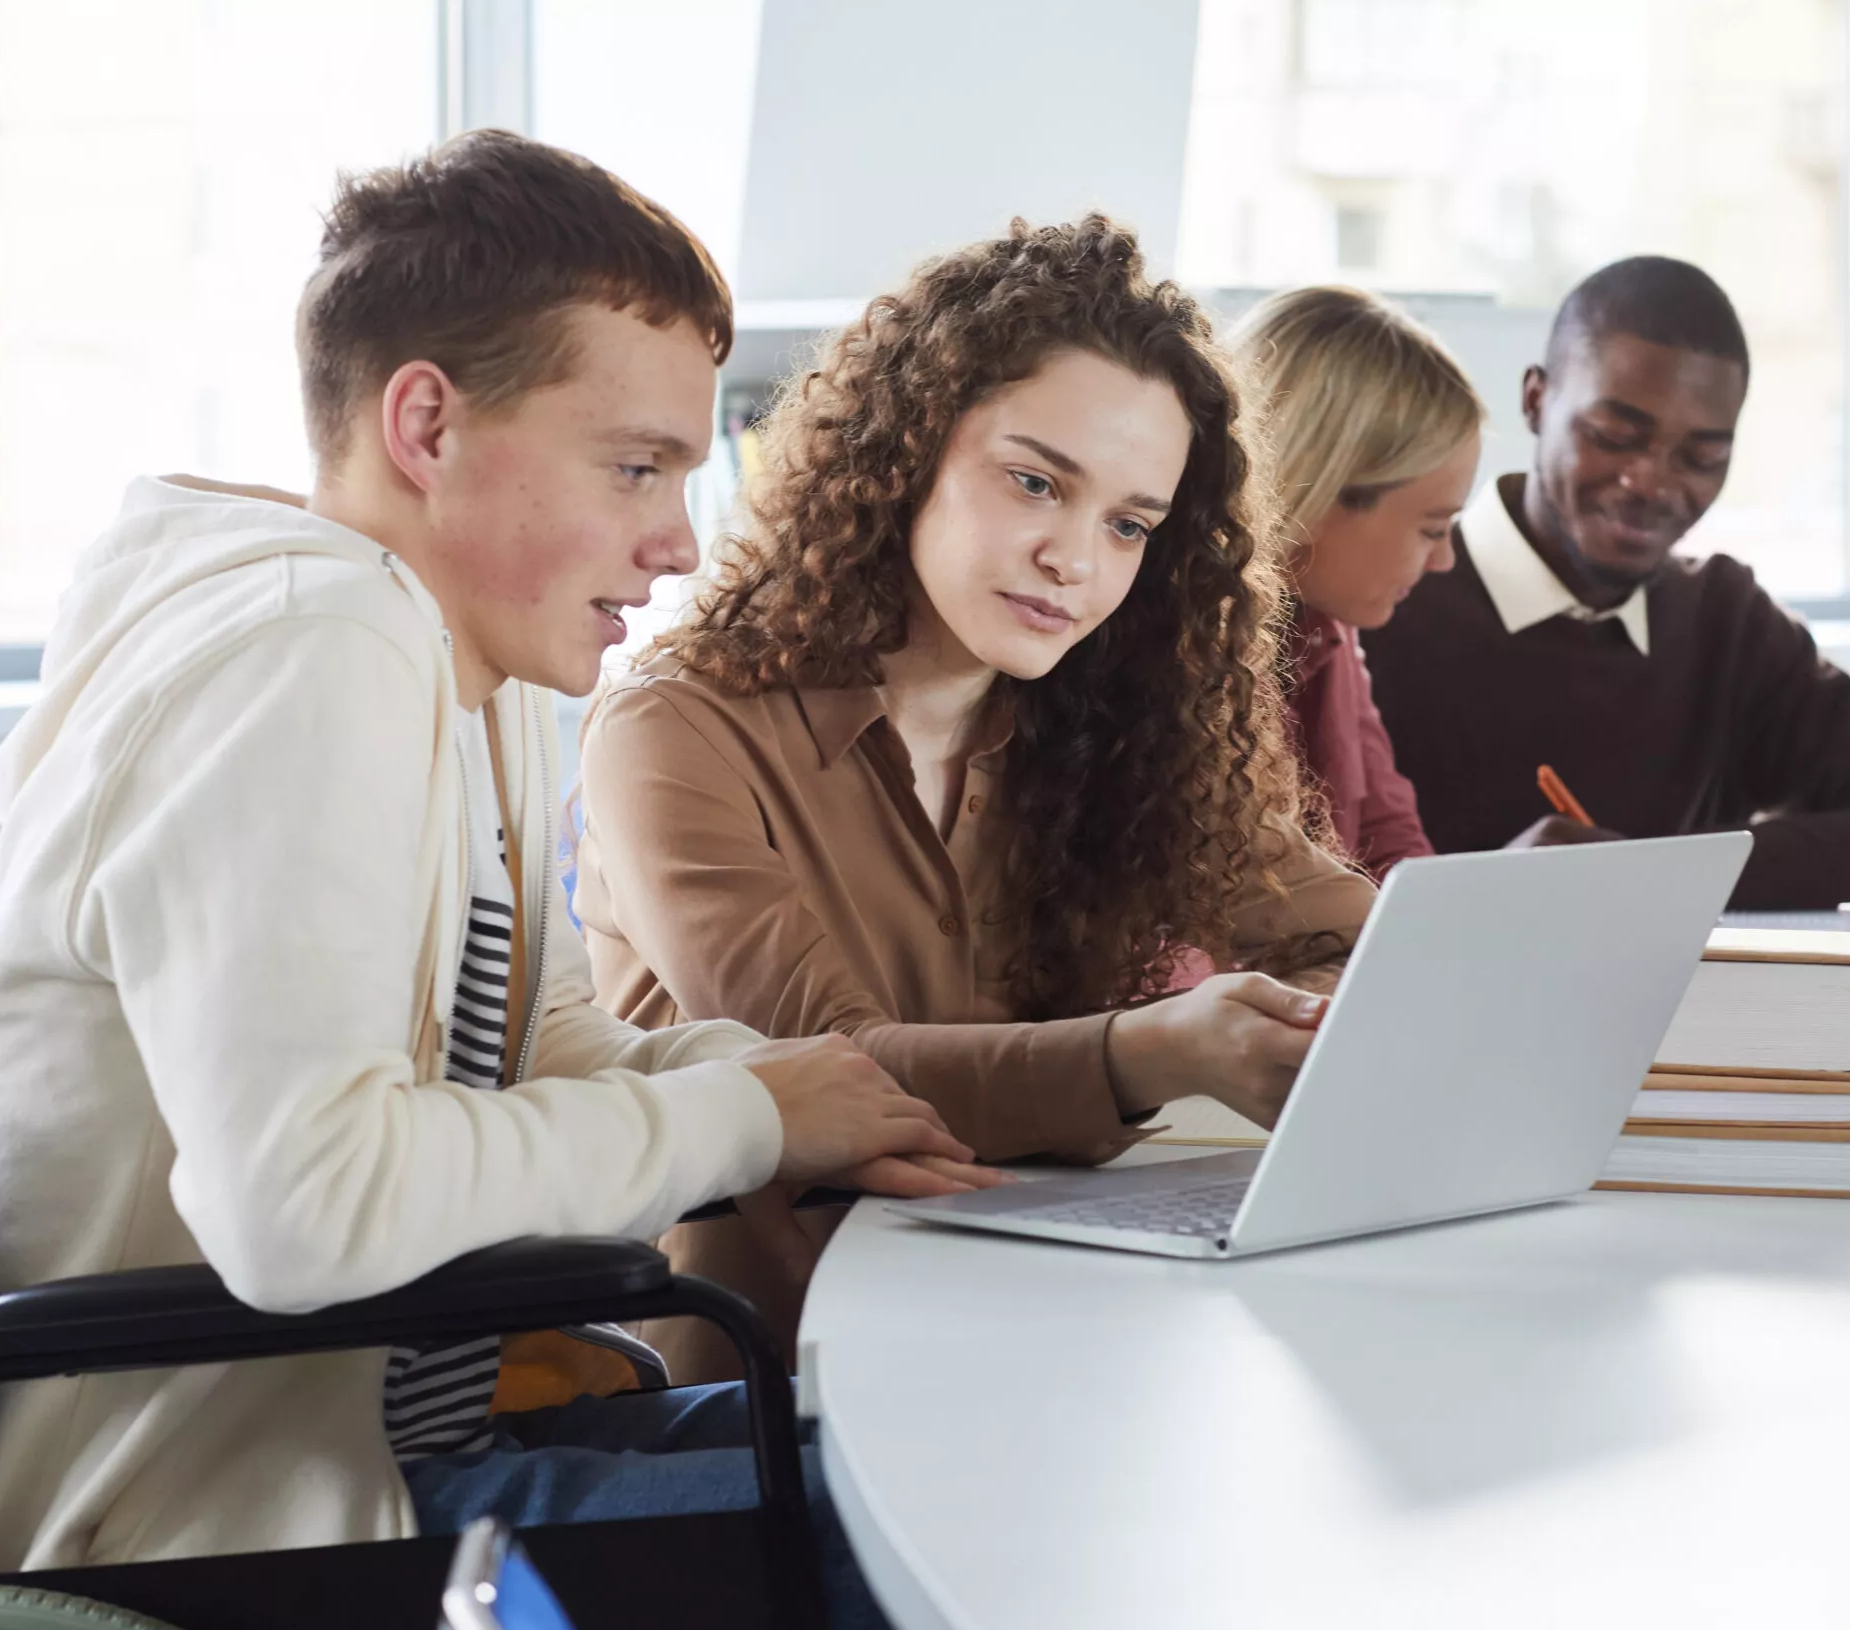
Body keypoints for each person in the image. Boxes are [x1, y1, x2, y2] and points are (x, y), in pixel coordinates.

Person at [0, 132, 989, 1630]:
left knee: (962, 1465)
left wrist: (836, 1096)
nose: (680, 540)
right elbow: (307, 1206)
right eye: (634, 466)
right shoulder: (312, 641)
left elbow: (543, 1038)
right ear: (424, 421)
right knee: (956, 1555)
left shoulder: (462, 659)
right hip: (214, 1536)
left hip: (396, 1457)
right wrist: (749, 1118)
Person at [573, 217, 1375, 1377]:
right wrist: (1157, 1053)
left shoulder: (1125, 723)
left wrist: (1305, 1022)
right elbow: (831, 1074)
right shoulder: (674, 724)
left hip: (1050, 1338)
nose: (1075, 559)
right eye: (1035, 483)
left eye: (1128, 525)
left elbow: (1345, 940)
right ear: (905, 452)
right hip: (761, 1397)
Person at [1361, 256, 1850, 908]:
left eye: (1702, 457)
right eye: (1613, 435)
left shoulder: (1726, 624)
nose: (1651, 482)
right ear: (1535, 400)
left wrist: (1650, 877)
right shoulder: (1382, 605)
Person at [1229, 285, 1482, 876]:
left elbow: (1389, 844)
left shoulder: (1330, 632)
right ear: (1317, 492)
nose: (1445, 560)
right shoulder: (1157, 650)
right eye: (1431, 528)